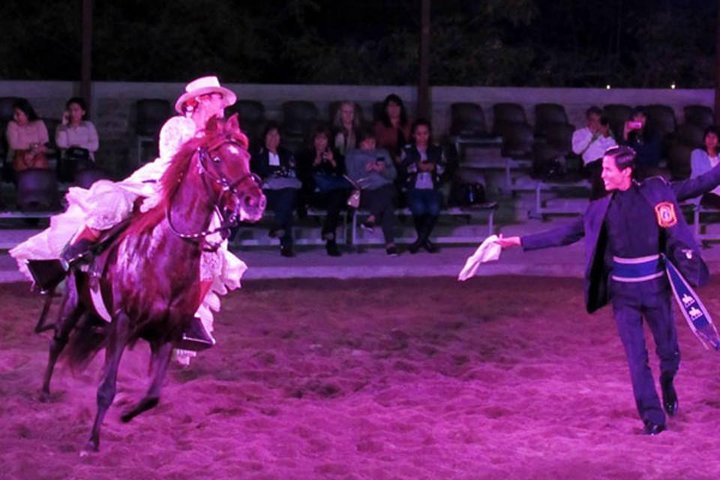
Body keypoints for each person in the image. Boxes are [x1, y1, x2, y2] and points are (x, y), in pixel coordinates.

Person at [10, 76, 242, 356]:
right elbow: (171, 161)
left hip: (196, 196)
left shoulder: (217, 135)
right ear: (201, 100)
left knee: (214, 249)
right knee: (113, 202)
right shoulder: (177, 126)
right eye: (217, 97)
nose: (221, 103)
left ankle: (187, 317)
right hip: (164, 180)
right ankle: (70, 255)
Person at [496, 145, 720, 435]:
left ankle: (668, 382)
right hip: (623, 295)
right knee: (636, 358)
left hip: (656, 290)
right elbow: (564, 234)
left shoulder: (657, 192)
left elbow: (702, 183)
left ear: (626, 172)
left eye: (607, 169)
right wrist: (516, 241)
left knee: (669, 353)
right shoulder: (601, 209)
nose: (602, 174)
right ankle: (653, 418)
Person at [297, 125, 351, 256]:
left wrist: (333, 162)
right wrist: (315, 164)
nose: (320, 142)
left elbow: (343, 176)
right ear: (313, 140)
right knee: (335, 201)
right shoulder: (304, 155)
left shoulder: (335, 154)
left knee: (338, 196)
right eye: (318, 138)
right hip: (312, 196)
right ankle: (329, 235)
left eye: (324, 139)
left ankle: (329, 235)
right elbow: (302, 178)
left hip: (330, 196)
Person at [345, 128, 399, 255]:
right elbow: (351, 178)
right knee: (387, 205)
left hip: (384, 187)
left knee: (387, 192)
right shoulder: (352, 155)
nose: (370, 145)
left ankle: (372, 218)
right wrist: (365, 171)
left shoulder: (382, 153)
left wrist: (382, 170)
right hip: (365, 190)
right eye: (367, 142)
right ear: (360, 143)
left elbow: (393, 175)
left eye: (373, 142)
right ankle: (390, 243)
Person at [251, 121, 301, 257]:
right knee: (285, 206)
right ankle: (283, 238)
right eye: (270, 135)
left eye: (276, 135)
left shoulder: (286, 155)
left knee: (287, 198)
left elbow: (292, 172)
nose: (274, 138)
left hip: (283, 193)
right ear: (265, 137)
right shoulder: (257, 154)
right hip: (265, 194)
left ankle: (280, 230)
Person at [400, 119, 446, 253]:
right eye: (419, 134)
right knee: (419, 208)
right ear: (413, 135)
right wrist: (416, 167)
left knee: (434, 208)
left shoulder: (437, 149)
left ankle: (420, 241)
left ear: (429, 134)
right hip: (414, 187)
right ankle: (424, 241)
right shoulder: (407, 150)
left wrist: (434, 167)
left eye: (425, 133)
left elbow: (445, 168)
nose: (422, 137)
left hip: (432, 186)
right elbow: (402, 169)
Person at [572, 106, 617, 199]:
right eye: (593, 120)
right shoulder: (580, 133)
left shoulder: (605, 134)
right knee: (600, 170)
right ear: (588, 120)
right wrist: (590, 136)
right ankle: (599, 201)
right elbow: (577, 151)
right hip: (590, 166)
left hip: (607, 163)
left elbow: (614, 150)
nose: (596, 123)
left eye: (598, 120)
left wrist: (606, 136)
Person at [55, 96, 100, 180]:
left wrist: (79, 146)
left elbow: (95, 146)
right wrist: (64, 126)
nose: (73, 113)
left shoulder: (88, 126)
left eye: (76, 110)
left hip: (85, 159)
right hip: (68, 161)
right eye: (70, 110)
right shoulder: (61, 128)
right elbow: (61, 144)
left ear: (83, 112)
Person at [5, 98, 49, 173]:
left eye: (18, 114)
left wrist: (33, 152)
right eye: (14, 114)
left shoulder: (39, 123)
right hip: (19, 153)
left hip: (38, 153)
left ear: (27, 114)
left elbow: (45, 143)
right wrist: (32, 146)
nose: (15, 117)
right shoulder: (12, 125)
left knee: (39, 163)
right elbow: (14, 145)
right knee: (23, 163)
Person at [621, 107, 661, 180]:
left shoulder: (654, 133)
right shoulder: (630, 134)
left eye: (642, 116)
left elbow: (653, 156)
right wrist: (625, 134)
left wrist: (635, 155)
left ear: (647, 119)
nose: (639, 119)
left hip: (649, 166)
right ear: (632, 119)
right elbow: (624, 153)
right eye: (636, 116)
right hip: (634, 167)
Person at [690, 125, 720, 209]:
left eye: (714, 137)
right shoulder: (697, 153)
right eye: (708, 136)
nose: (710, 140)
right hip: (704, 191)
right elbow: (699, 175)